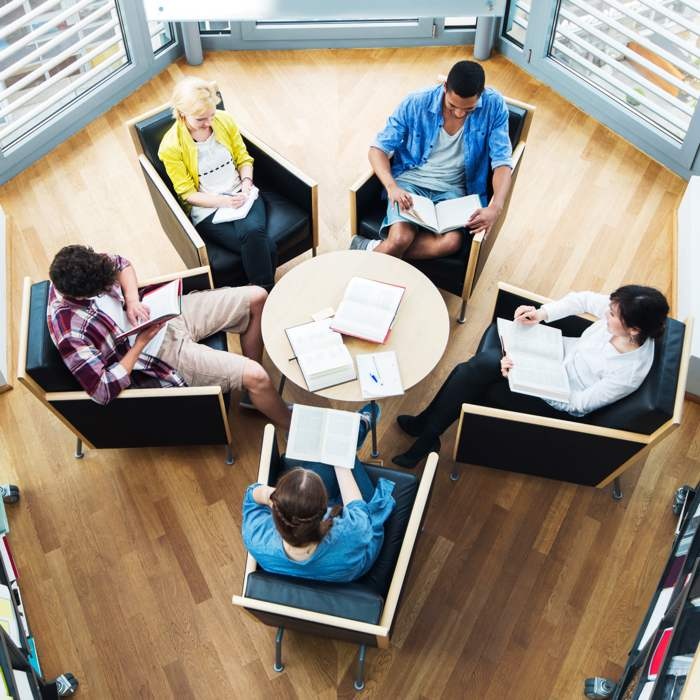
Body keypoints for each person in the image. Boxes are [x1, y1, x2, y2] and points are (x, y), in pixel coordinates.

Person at [393, 286, 670, 468]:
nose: (605, 314)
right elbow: (582, 299)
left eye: (611, 315)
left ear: (633, 329)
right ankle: (427, 432)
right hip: (553, 355)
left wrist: (527, 373)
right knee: (478, 368)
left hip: (557, 399)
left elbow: (578, 404)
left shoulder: (628, 371)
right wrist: (541, 314)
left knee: (480, 369)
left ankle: (426, 430)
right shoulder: (623, 316)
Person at [46, 245, 291, 429]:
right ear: (82, 295)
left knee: (257, 296)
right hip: (156, 352)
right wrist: (141, 343)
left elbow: (121, 264)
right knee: (257, 376)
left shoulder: (83, 265)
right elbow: (102, 389)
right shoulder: (69, 329)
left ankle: (252, 395)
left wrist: (131, 299)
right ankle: (292, 425)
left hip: (163, 312)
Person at [351, 60, 512, 260]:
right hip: (411, 182)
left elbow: (502, 162)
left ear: (481, 95)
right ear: (445, 87)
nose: (460, 113)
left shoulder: (494, 106)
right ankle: (378, 257)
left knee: (451, 242)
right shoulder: (416, 102)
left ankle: (370, 249)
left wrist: (496, 208)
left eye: (469, 109)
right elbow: (377, 149)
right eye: (453, 106)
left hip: (455, 191)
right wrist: (392, 186)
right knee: (401, 238)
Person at [242, 408, 396, 582]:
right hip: (352, 564)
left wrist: (275, 496)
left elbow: (251, 495)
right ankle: (358, 429)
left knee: (322, 468)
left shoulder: (255, 535)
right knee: (339, 462)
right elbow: (358, 508)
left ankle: (359, 427)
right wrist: (340, 456)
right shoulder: (352, 531)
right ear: (326, 508)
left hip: (314, 564)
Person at [158, 77, 277, 290]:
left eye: (212, 114)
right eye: (201, 119)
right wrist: (224, 202)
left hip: (242, 194)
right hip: (208, 209)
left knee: (252, 236)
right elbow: (187, 194)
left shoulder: (224, 120)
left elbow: (243, 158)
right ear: (182, 113)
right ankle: (266, 293)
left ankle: (258, 298)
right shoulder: (171, 147)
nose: (209, 122)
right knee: (265, 245)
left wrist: (247, 182)